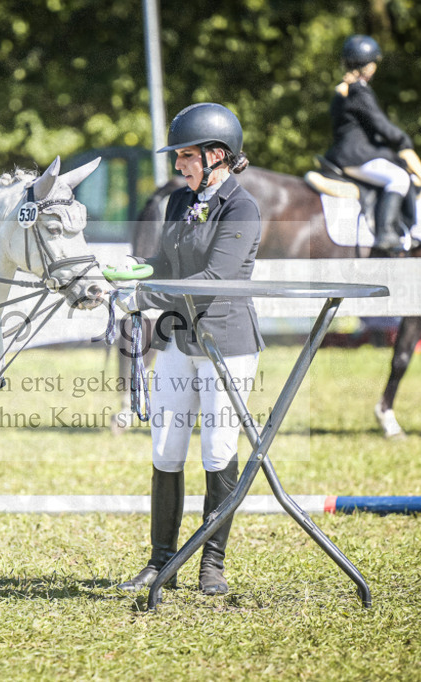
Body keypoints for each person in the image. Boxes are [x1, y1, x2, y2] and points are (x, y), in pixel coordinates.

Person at [116, 103, 264, 595]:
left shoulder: (241, 208)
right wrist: (135, 268)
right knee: (166, 447)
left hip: (227, 342)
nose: (179, 165)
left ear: (217, 155)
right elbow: (167, 260)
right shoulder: (181, 201)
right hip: (181, 338)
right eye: (178, 156)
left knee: (218, 450)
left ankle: (212, 564)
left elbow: (215, 279)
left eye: (186, 156)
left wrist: (145, 296)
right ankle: (161, 562)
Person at [325, 35, 421, 255]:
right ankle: (385, 233)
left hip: (344, 154)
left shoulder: (343, 90)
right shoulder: (359, 91)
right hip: (356, 156)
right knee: (399, 177)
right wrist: (404, 144)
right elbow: (380, 123)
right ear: (369, 66)